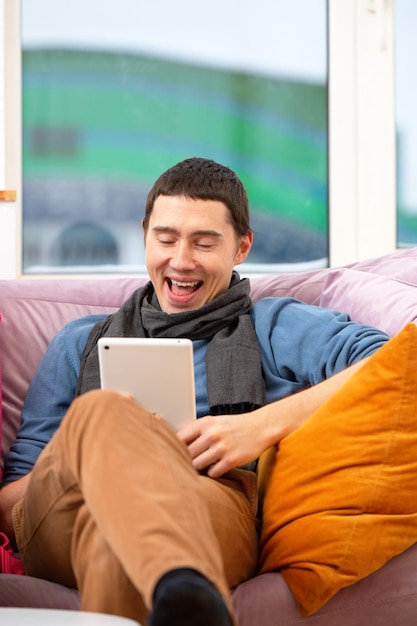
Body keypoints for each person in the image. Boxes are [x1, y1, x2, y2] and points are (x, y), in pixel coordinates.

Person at [0, 157, 389, 626]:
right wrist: (97, 454)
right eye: (165, 239)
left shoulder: (273, 327)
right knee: (103, 411)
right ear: (146, 235)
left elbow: (394, 365)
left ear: (242, 246)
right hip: (65, 510)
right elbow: (9, 507)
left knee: (110, 544)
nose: (181, 261)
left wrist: (258, 427)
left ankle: (171, 580)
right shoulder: (78, 343)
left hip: (209, 503)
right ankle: (178, 581)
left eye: (204, 243)